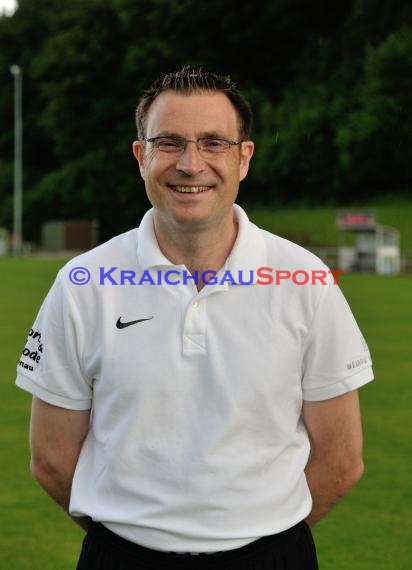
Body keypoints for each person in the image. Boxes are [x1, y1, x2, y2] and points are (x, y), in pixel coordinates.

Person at [16, 66, 374, 570]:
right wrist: (136, 534)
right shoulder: (82, 283)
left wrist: (255, 538)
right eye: (168, 142)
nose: (190, 164)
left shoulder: (306, 279)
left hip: (272, 556)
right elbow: (51, 459)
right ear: (140, 157)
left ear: (244, 158)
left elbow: (342, 459)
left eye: (213, 143)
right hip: (121, 557)